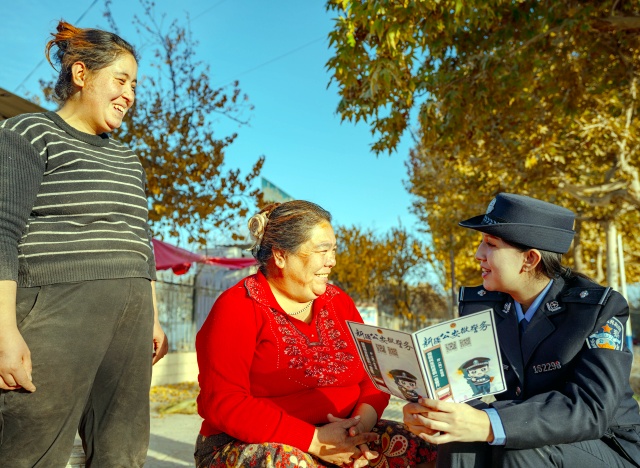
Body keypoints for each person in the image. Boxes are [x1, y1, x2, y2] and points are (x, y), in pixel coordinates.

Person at [0, 20, 168, 467]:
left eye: (134, 85)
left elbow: (140, 240)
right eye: (120, 80)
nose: (130, 95)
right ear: (81, 74)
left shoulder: (129, 160)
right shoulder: (30, 133)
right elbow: (2, 232)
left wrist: (151, 317)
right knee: (33, 451)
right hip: (57, 313)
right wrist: (4, 331)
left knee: (123, 454)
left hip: (131, 320)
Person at [403, 192, 640, 467]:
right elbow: (466, 391)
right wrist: (435, 412)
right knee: (460, 437)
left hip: (607, 447)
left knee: (518, 445)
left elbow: (591, 410)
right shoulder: (481, 307)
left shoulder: (597, 309)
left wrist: (490, 422)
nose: (479, 255)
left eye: (490, 244)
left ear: (530, 259)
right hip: (533, 438)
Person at [195, 200, 436, 467]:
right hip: (251, 442)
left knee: (422, 447)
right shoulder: (238, 306)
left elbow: (374, 376)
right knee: (288, 463)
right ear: (281, 256)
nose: (331, 261)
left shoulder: (339, 303)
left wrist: (357, 430)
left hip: (343, 433)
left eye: (333, 250)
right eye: (322, 250)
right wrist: (316, 440)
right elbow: (225, 402)